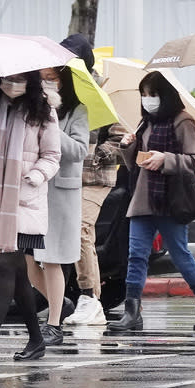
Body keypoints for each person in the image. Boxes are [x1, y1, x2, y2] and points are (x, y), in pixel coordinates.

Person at [108, 71, 195, 334]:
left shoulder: (183, 122)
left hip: (170, 200)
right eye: (144, 95)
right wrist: (128, 146)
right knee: (135, 255)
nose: (147, 100)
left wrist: (165, 159)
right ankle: (131, 311)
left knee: (180, 254)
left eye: (152, 95)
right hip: (143, 198)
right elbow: (136, 163)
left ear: (165, 95)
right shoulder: (145, 123)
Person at [0, 72, 61, 361]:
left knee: (6, 264)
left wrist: (33, 176)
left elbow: (52, 155)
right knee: (17, 274)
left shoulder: (43, 109)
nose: (12, 83)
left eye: (19, 78)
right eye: (7, 78)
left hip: (24, 201)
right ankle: (35, 340)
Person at [25, 65, 88, 346]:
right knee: (28, 260)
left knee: (53, 260)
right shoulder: (33, 109)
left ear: (64, 81)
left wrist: (52, 125)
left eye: (51, 78)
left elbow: (79, 151)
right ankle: (59, 305)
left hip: (62, 195)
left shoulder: (77, 111)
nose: (46, 83)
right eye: (42, 78)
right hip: (35, 192)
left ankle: (53, 325)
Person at [65, 121, 128, 325]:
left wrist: (97, 155)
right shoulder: (60, 103)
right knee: (74, 235)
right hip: (65, 177)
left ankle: (89, 295)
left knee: (81, 228)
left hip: (96, 177)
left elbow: (121, 141)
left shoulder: (103, 100)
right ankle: (90, 299)